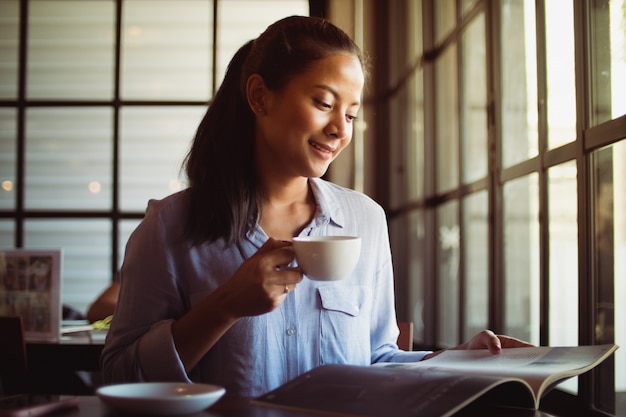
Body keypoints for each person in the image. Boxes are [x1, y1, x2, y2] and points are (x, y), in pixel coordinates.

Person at [101, 15, 531, 397]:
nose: (338, 130)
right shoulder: (170, 226)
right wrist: (225, 305)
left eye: (350, 115)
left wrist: (460, 360)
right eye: (324, 103)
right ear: (259, 97)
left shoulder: (365, 219)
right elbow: (120, 375)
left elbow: (377, 358)